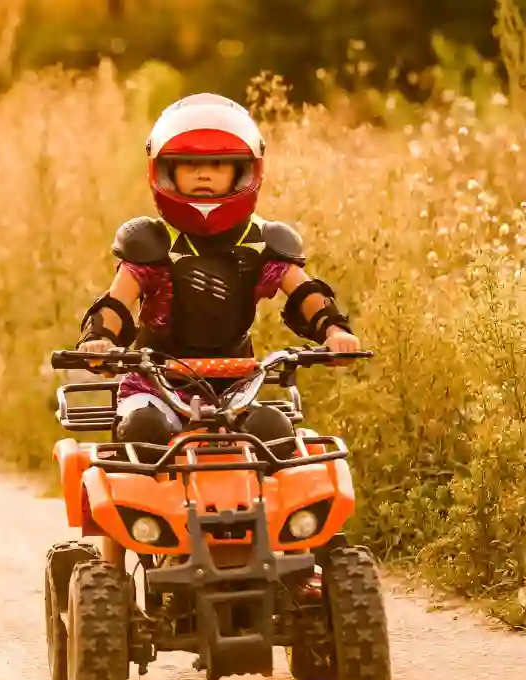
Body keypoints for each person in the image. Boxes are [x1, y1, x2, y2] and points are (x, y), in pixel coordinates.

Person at [73, 93, 363, 449]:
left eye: (219, 164)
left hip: (237, 385)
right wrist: (98, 341)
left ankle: (278, 507)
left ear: (243, 172)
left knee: (275, 433)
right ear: (165, 171)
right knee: (143, 431)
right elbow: (116, 302)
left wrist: (335, 331)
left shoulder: (263, 240)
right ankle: (143, 505)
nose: (204, 174)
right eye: (189, 164)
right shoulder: (150, 241)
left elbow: (305, 292)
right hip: (154, 386)